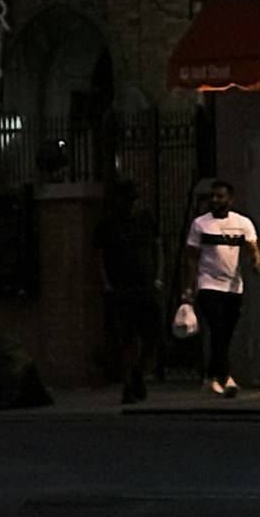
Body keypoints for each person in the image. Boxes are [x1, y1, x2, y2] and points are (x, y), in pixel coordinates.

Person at [183, 173, 260, 400]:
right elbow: (191, 258)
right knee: (218, 329)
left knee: (225, 334)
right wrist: (189, 288)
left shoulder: (242, 224)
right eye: (213, 197)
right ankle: (226, 377)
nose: (215, 200)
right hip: (208, 285)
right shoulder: (201, 224)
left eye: (220, 196)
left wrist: (256, 260)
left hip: (233, 287)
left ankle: (211, 377)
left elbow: (252, 247)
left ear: (231, 199)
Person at [97, 170, 169, 407]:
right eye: (126, 200)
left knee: (153, 335)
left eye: (133, 199)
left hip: (146, 285)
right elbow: (98, 256)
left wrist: (158, 276)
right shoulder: (108, 224)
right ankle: (129, 384)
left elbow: (158, 248)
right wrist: (107, 284)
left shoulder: (146, 219)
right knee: (125, 338)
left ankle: (138, 371)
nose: (130, 204)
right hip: (122, 288)